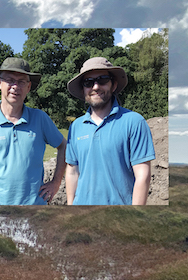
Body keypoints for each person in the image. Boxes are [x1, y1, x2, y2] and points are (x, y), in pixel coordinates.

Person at [0, 57, 67, 205]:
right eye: (10, 80)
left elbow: (63, 146)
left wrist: (56, 183)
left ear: (29, 87)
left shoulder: (40, 118)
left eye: (21, 81)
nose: (15, 86)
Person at [65, 57, 155, 205]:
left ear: (113, 85)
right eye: (88, 82)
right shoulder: (76, 126)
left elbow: (142, 175)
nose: (95, 87)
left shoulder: (133, 122)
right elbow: (72, 171)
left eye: (102, 80)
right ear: (83, 89)